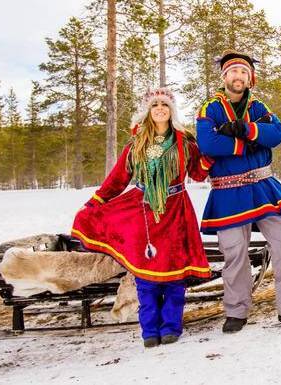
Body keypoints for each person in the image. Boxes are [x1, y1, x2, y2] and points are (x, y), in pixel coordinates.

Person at [72, 88, 212, 347]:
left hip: (176, 210)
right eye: (155, 104)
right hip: (142, 211)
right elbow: (117, 180)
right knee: (146, 274)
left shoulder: (185, 144)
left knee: (175, 271)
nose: (160, 108)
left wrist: (213, 152)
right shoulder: (135, 145)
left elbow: (199, 173)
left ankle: (171, 326)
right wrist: (95, 203)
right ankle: (149, 329)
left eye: (165, 105)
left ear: (172, 111)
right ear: (148, 110)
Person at [196, 49, 281, 333]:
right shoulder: (209, 108)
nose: (238, 76)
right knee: (235, 253)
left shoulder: (259, 108)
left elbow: (277, 134)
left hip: (264, 186)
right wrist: (245, 146)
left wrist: (246, 131)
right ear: (224, 76)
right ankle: (236, 312)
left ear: (251, 79)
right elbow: (207, 144)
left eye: (243, 72)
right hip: (228, 191)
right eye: (233, 72)